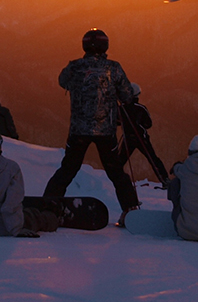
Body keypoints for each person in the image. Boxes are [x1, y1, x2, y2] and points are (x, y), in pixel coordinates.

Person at [42, 28, 142, 223]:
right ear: (105, 46)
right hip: (106, 132)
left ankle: (47, 205)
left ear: (84, 45)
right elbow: (128, 95)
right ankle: (130, 210)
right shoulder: (114, 68)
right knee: (115, 172)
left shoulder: (74, 67)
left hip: (78, 130)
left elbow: (62, 82)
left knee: (68, 169)